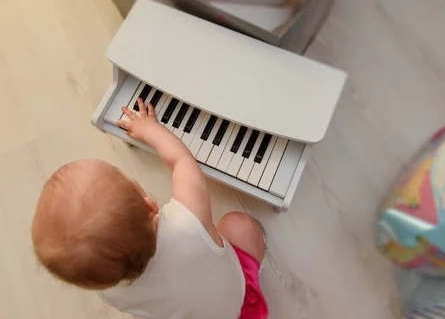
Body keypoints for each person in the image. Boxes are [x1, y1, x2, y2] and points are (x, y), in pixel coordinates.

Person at [31, 98, 268, 319]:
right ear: (148, 204)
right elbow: (182, 161)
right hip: (242, 308)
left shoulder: (111, 291)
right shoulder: (188, 221)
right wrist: (150, 129)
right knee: (238, 225)